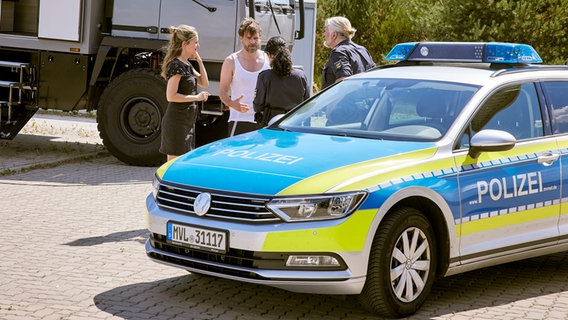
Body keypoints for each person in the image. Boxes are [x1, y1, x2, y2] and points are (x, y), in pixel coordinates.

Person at [159, 25, 210, 162]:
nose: (198, 46)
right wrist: (197, 97)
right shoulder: (176, 65)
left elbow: (204, 83)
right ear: (184, 44)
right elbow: (171, 96)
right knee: (173, 166)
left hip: (186, 122)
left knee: (181, 165)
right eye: (195, 42)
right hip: (176, 123)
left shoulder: (187, 65)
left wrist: (199, 61)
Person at [219, 18, 270, 136]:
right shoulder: (231, 61)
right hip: (239, 119)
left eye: (255, 38)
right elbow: (222, 91)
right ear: (241, 38)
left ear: (260, 38)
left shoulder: (268, 58)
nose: (252, 42)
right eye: (248, 38)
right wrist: (231, 103)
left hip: (263, 121)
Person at [253, 36, 310, 127]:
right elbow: (307, 104)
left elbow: (258, 106)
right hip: (295, 123)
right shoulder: (301, 76)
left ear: (270, 55)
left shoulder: (264, 77)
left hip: (271, 124)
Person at [321, 16, 376, 89]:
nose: (324, 34)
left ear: (333, 35)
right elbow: (374, 77)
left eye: (326, 31)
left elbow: (344, 82)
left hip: (347, 100)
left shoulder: (338, 52)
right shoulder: (363, 50)